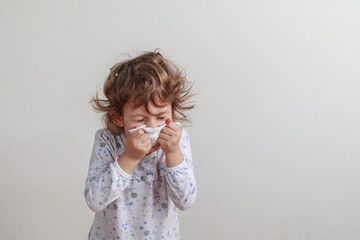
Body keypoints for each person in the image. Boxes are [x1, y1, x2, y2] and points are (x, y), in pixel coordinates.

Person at [84, 51, 197, 240]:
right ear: (118, 117)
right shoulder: (107, 140)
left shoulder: (178, 140)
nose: (153, 127)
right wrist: (129, 157)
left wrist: (173, 152)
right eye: (140, 119)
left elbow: (185, 201)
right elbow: (94, 200)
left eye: (161, 117)